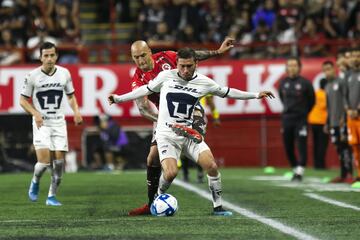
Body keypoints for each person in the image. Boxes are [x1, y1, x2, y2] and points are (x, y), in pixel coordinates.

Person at [108, 47, 275, 216]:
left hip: (188, 133)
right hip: (166, 134)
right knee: (171, 172)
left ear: (196, 63)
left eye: (189, 66)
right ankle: (157, 198)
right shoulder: (166, 76)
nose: (185, 70)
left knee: (211, 166)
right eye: (181, 66)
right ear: (177, 64)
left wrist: (256, 95)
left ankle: (218, 207)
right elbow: (145, 90)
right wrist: (119, 98)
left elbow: (228, 92)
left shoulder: (204, 82)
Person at [127, 37, 235, 215]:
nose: (140, 60)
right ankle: (151, 203)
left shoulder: (167, 57)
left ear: (150, 53)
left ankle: (201, 163)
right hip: (164, 119)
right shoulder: (138, 79)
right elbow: (143, 108)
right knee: (152, 159)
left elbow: (192, 56)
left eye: (143, 55)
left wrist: (218, 52)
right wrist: (163, 120)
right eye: (136, 57)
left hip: (190, 111)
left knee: (197, 140)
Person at [20, 41, 83, 206]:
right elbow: (22, 101)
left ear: (56, 56)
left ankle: (51, 196)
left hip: (59, 123)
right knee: (43, 162)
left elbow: (70, 95)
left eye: (52, 55)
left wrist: (76, 111)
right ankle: (35, 181)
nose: (49, 58)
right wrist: (36, 114)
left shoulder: (64, 73)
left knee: (60, 163)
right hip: (42, 123)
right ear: (40, 57)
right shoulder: (32, 76)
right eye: (46, 55)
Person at [278, 57, 315, 181]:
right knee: (287, 145)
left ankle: (300, 170)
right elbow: (281, 98)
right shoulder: (283, 83)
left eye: (294, 65)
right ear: (286, 68)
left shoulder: (306, 83)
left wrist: (304, 112)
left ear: (299, 67)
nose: (292, 68)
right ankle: (294, 168)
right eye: (290, 65)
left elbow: (312, 101)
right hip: (287, 118)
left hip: (301, 119)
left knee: (301, 144)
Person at [323, 61, 353, 183]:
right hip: (333, 122)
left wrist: (344, 118)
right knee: (339, 149)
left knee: (346, 148)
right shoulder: (327, 86)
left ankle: (350, 174)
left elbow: (346, 100)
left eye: (329, 69)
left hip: (342, 121)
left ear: (334, 69)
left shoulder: (341, 82)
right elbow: (329, 106)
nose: (327, 72)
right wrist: (327, 122)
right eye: (325, 70)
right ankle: (343, 174)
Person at [181, 95, 220, 183]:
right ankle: (185, 173)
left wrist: (216, 116)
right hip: (182, 117)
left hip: (198, 117)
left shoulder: (203, 82)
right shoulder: (179, 82)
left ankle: (200, 172)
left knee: (198, 144)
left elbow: (210, 101)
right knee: (183, 145)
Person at [343, 48, 360, 187]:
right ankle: (359, 175)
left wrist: (358, 108)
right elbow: (344, 95)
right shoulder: (348, 75)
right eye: (353, 56)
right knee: (354, 146)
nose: (355, 59)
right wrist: (348, 109)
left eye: (358, 56)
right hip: (351, 117)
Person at [308, 78, 329, 169]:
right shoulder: (326, 94)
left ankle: (316, 164)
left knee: (316, 144)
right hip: (322, 122)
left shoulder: (315, 93)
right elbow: (325, 106)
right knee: (322, 144)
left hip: (313, 121)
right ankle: (321, 165)